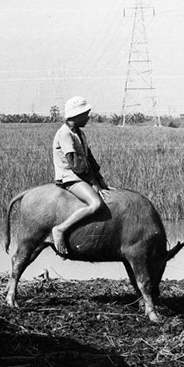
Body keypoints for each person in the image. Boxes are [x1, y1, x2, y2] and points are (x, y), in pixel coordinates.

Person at [51, 96, 110, 256]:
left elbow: (89, 159)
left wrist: (100, 180)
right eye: (85, 114)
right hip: (70, 177)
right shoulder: (65, 134)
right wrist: (93, 183)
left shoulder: (79, 133)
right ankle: (60, 229)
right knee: (95, 204)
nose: (88, 117)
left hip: (80, 176)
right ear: (75, 116)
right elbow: (75, 163)